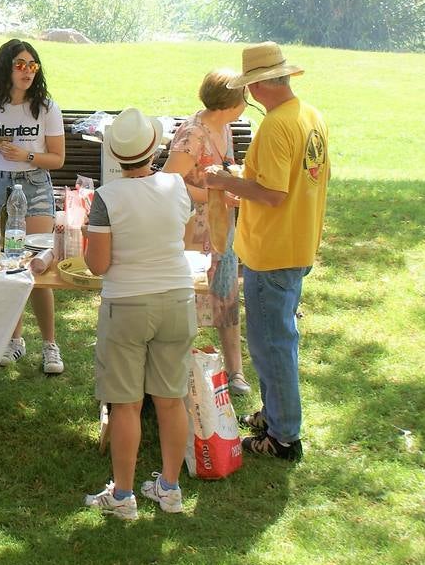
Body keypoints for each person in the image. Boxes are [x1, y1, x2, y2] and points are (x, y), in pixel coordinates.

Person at [206, 42, 329, 462]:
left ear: (258, 87)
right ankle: (274, 413)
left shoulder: (276, 125)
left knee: (271, 344)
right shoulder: (308, 115)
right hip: (296, 242)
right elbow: (288, 182)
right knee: (277, 339)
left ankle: (283, 437)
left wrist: (224, 181)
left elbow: (274, 194)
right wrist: (243, 180)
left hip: (272, 251)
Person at [81, 109, 196, 520]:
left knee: (126, 405)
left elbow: (97, 265)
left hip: (127, 303)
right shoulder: (177, 186)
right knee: (171, 399)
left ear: (115, 154)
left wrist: (85, 239)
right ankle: (169, 488)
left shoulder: (107, 197)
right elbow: (182, 236)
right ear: (155, 147)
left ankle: (124, 494)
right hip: (177, 298)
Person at [0, 39, 67, 374]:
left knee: (37, 263)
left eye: (32, 65)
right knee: (6, 262)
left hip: (35, 184)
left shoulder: (45, 106)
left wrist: (27, 155)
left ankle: (50, 345)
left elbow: (58, 158)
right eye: (20, 64)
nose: (27, 71)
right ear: (6, 67)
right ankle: (15, 339)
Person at [162, 69, 251, 394]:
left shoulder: (223, 125)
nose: (247, 102)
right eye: (244, 96)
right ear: (231, 101)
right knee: (190, 296)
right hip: (192, 228)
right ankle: (179, 370)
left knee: (226, 293)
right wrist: (215, 195)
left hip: (220, 223)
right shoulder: (193, 135)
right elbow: (170, 182)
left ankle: (235, 371)